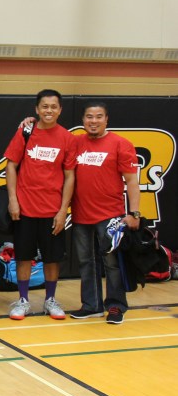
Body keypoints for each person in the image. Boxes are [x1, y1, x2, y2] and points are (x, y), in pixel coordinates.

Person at [5, 89, 76, 321]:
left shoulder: (66, 138)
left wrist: (62, 209)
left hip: (52, 210)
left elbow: (69, 176)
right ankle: (23, 300)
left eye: (53, 107)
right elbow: (11, 166)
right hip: (24, 209)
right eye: (44, 106)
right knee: (23, 256)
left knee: (52, 258)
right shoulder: (26, 131)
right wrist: (13, 200)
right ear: (37, 109)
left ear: (60, 110)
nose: (49, 110)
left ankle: (50, 300)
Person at [69, 103, 140, 324]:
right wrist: (30, 122)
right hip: (81, 214)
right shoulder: (76, 142)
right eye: (89, 117)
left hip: (111, 215)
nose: (93, 121)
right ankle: (91, 306)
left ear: (106, 120)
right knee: (85, 261)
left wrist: (134, 213)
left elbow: (132, 181)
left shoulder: (120, 144)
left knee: (112, 263)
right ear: (83, 120)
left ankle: (116, 306)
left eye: (98, 117)